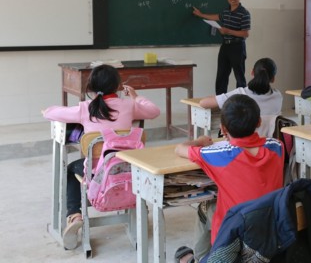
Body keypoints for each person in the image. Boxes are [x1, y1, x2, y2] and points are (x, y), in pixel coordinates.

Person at [42, 64, 160, 250]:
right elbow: (154, 111)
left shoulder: (85, 108)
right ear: (118, 86)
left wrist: (47, 110)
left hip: (96, 173)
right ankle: (138, 210)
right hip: (128, 168)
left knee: (71, 169)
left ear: (90, 87)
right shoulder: (129, 106)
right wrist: (136, 97)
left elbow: (51, 113)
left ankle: (75, 215)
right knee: (112, 163)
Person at [174, 94, 284, 263]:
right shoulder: (277, 146)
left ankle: (203, 258)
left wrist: (199, 140)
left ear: (223, 129)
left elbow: (179, 149)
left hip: (234, 232)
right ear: (259, 122)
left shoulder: (220, 155)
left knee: (206, 205)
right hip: (269, 227)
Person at [198, 57, 282, 137]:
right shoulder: (278, 96)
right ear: (273, 78)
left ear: (252, 72)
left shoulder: (241, 94)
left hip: (243, 146)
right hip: (268, 145)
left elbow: (203, 103)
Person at [192, 0, 250, 95]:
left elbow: (245, 33)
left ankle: (242, 103)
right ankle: (219, 103)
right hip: (225, 46)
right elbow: (216, 17)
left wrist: (228, 31)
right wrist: (200, 14)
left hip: (237, 47)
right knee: (221, 76)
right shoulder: (225, 11)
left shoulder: (244, 13)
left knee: (239, 77)